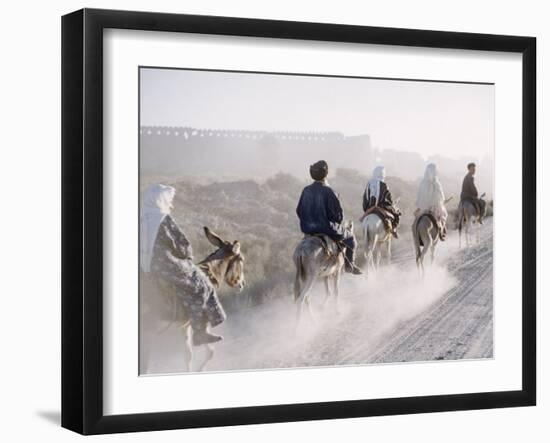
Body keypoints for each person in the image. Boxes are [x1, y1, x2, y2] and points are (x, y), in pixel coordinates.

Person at [140, 184, 226, 346]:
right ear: (160, 200)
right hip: (166, 264)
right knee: (202, 284)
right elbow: (181, 244)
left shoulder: (142, 218)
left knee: (185, 285)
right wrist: (187, 257)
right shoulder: (162, 218)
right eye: (167, 199)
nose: (170, 202)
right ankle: (200, 332)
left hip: (144, 265)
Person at [296, 160, 362, 275]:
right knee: (351, 239)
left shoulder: (306, 190)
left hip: (307, 229)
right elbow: (338, 216)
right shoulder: (329, 191)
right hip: (326, 228)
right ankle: (349, 265)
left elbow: (299, 210)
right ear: (325, 174)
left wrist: (308, 221)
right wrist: (335, 223)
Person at [362, 165, 401, 239]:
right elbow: (387, 198)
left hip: (368, 208)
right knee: (396, 215)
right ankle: (393, 230)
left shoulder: (369, 183)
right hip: (380, 207)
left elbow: (365, 197)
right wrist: (391, 204)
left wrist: (367, 208)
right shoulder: (384, 184)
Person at [415, 163, 448, 240]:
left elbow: (420, 195)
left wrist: (420, 205)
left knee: (416, 218)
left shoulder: (423, 182)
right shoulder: (436, 182)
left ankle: (415, 234)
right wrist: (441, 201)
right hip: (435, 206)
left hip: (424, 207)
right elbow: (440, 196)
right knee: (444, 215)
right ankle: (442, 231)